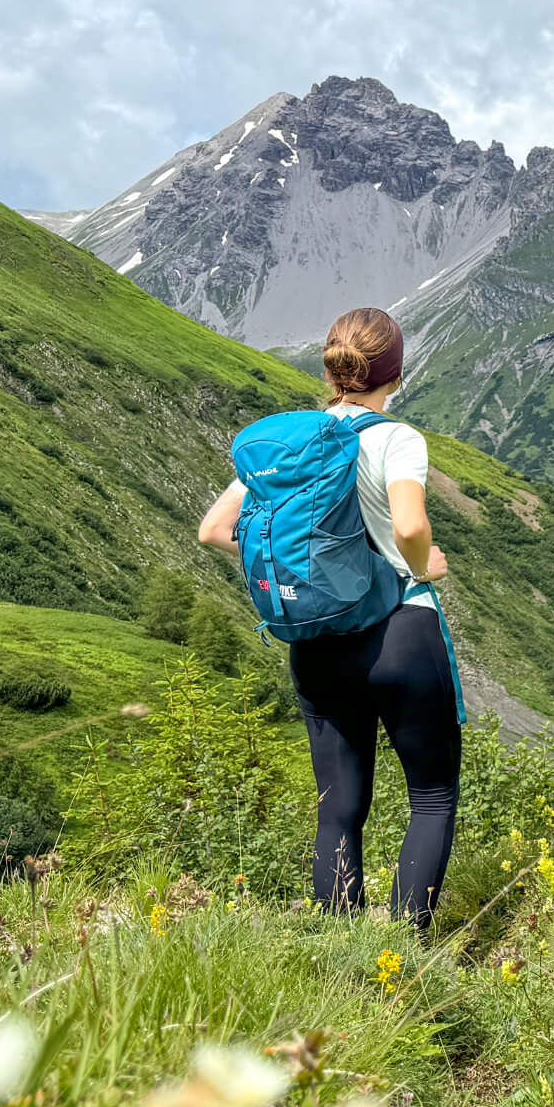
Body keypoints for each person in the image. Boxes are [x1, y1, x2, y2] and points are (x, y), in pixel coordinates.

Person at [196, 307, 461, 928]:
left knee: (338, 810)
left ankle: (336, 958)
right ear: (393, 373)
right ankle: (403, 967)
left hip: (314, 639)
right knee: (430, 797)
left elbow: (214, 530)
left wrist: (307, 567)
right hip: (400, 628)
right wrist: (424, 567)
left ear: (332, 369)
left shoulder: (293, 447)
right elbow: (410, 525)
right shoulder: (396, 438)